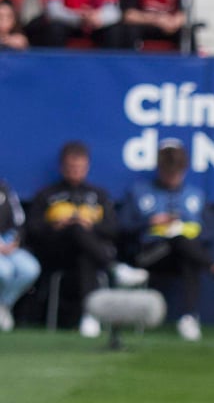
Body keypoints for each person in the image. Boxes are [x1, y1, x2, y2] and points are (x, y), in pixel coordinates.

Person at [121, 140, 214, 342]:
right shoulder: (139, 192)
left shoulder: (195, 196)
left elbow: (209, 234)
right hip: (150, 255)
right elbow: (123, 228)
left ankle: (189, 318)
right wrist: (150, 222)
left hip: (184, 255)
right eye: (167, 172)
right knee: (180, 242)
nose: (172, 177)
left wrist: (187, 228)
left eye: (176, 172)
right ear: (159, 168)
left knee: (185, 249)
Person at [26, 141, 149, 338]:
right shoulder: (47, 194)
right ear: (62, 167)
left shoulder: (98, 195)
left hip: (90, 253)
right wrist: (56, 225)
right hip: (57, 252)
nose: (75, 171)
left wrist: (91, 226)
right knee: (75, 229)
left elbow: (112, 229)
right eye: (71, 167)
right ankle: (114, 268)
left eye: (79, 167)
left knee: (85, 252)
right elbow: (32, 229)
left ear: (87, 167)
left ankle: (89, 316)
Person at [26, 0, 125, 49]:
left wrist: (98, 18)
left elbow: (114, 11)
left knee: (114, 30)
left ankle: (109, 70)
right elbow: (54, 11)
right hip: (68, 24)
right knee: (54, 28)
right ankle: (54, 67)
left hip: (95, 25)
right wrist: (78, 18)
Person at [0, 179, 40, 332]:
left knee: (30, 269)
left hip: (8, 244)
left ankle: (4, 304)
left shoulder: (4, 188)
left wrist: (14, 240)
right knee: (4, 272)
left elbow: (19, 221)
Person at [119, 0, 189, 51]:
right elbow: (128, 15)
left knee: (186, 32)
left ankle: (190, 61)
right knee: (127, 31)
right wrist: (158, 20)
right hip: (145, 26)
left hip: (169, 28)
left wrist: (174, 22)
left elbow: (183, 14)